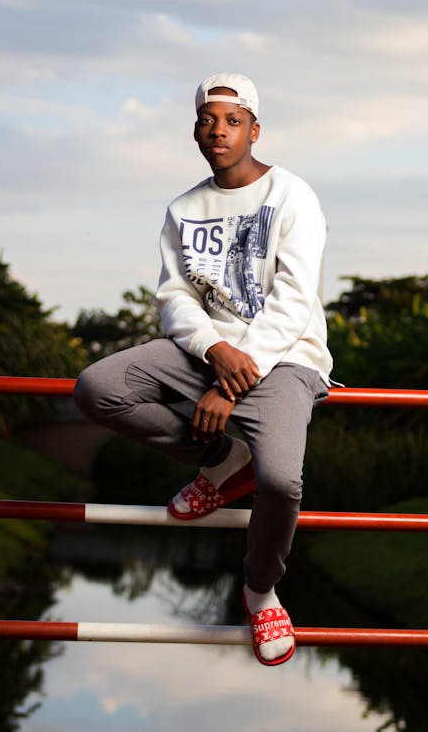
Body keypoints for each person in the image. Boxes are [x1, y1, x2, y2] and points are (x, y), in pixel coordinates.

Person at [74, 72, 333, 666]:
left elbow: (296, 298)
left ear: (254, 129)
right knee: (98, 387)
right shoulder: (183, 208)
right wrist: (214, 353)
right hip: (207, 352)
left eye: (232, 120)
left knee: (281, 484)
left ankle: (261, 589)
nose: (219, 130)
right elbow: (174, 298)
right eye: (208, 120)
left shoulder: (292, 195)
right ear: (196, 131)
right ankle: (221, 460)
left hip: (285, 356)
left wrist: (230, 381)